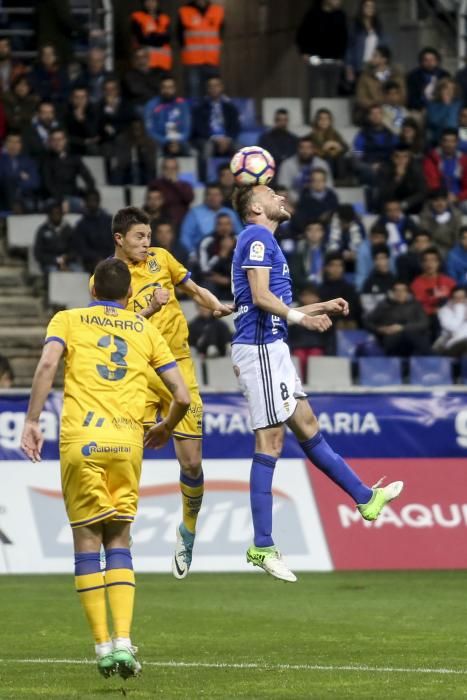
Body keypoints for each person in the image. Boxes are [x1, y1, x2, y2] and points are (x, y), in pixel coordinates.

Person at [20, 257, 190, 677]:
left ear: (92, 289)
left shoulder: (68, 319)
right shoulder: (147, 329)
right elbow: (182, 395)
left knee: (86, 545)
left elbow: (46, 366)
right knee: (119, 541)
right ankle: (125, 643)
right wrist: (165, 427)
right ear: (130, 295)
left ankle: (101, 647)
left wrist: (31, 421)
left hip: (83, 441)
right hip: (127, 444)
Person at [230, 183, 402, 582]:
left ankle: (366, 498)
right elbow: (258, 296)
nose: (282, 198)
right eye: (272, 194)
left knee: (308, 427)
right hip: (261, 349)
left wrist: (318, 307)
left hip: (271, 345)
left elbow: (271, 306)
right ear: (256, 206)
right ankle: (262, 544)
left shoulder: (263, 239)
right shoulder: (256, 235)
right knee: (270, 442)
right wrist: (302, 319)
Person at [97, 207, 233, 579]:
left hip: (178, 367)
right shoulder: (107, 277)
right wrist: (150, 309)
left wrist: (213, 303)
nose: (147, 242)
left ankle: (187, 530)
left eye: (149, 235)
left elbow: (193, 288)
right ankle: (118, 538)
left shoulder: (162, 259)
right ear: (119, 239)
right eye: (140, 237)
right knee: (126, 459)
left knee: (190, 462)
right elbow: (111, 333)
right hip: (137, 375)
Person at [296, 0, 348, 98]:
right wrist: (304, 52)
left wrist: (341, 57)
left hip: (334, 61)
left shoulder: (340, 15)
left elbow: (344, 39)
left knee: (332, 93)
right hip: (316, 60)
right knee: (315, 93)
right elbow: (301, 35)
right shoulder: (313, 14)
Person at [365, 280, 432, 356]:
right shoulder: (384, 306)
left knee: (418, 338)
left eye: (403, 290)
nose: (400, 293)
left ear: (407, 292)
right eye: (397, 290)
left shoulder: (415, 305)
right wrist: (380, 329)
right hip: (392, 339)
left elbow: (424, 323)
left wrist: (402, 327)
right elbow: (367, 322)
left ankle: (428, 361)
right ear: (392, 293)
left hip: (413, 337)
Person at [177, 0, 224, 100]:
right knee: (193, 92)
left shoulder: (217, 10)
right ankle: (194, 115)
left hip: (211, 60)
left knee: (214, 92)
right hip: (192, 61)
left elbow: (221, 32)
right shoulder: (184, 11)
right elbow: (179, 35)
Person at [288, 283, 336, 380]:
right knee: (299, 355)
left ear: (317, 298)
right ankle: (298, 383)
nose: (309, 298)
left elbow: (329, 336)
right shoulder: (293, 313)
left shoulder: (325, 314)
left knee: (315, 354)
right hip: (297, 347)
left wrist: (330, 353)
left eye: (312, 295)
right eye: (306, 295)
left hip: (317, 346)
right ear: (301, 297)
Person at [42, 128, 95, 213]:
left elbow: (88, 177)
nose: (57, 142)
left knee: (92, 208)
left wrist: (88, 196)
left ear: (65, 140)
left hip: (73, 196)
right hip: (54, 198)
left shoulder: (74, 158)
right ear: (50, 142)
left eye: (59, 139)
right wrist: (61, 200)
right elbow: (48, 183)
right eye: (54, 140)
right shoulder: (46, 160)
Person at [180, 183, 242, 256]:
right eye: (209, 194)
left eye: (216, 195)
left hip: (229, 254)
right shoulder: (195, 213)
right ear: (205, 197)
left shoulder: (230, 213)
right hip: (201, 254)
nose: (213, 198)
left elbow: (240, 234)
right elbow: (185, 237)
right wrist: (192, 254)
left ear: (222, 197)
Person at [191, 76, 240, 164]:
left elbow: (235, 127)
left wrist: (227, 139)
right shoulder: (199, 107)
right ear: (207, 89)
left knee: (241, 149)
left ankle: (242, 176)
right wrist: (215, 139)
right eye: (211, 86)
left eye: (216, 85)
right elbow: (198, 128)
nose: (214, 89)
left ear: (221, 87)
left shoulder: (230, 107)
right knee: (208, 147)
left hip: (227, 139)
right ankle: (205, 177)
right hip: (208, 139)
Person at [411, 247, 456, 338]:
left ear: (439, 263)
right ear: (422, 264)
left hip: (450, 314)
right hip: (430, 318)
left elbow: (457, 299)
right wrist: (435, 310)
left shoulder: (449, 281)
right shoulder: (416, 283)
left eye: (433, 260)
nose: (429, 264)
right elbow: (419, 306)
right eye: (426, 261)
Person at [355, 46, 406, 124]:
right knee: (381, 116)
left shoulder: (396, 76)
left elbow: (403, 96)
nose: (371, 58)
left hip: (394, 109)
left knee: (406, 119)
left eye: (375, 56)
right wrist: (379, 104)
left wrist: (392, 102)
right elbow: (361, 99)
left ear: (384, 59)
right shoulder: (365, 77)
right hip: (372, 110)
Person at [352, 104, 398, 188]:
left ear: (382, 116)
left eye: (378, 113)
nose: (376, 116)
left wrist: (383, 166)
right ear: (369, 117)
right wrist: (370, 166)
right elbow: (357, 155)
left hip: (387, 167)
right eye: (373, 114)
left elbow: (397, 153)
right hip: (369, 168)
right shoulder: (361, 135)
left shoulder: (391, 135)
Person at [144, 76, 191, 156]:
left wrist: (177, 141)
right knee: (153, 149)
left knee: (188, 149)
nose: (167, 90)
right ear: (160, 89)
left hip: (179, 141)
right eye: (164, 87)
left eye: (170, 87)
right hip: (160, 141)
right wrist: (166, 141)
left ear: (175, 89)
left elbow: (187, 128)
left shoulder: (182, 104)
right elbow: (150, 131)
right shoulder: (151, 105)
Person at [277, 136, 332, 203]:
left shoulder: (322, 164)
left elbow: (329, 187)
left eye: (308, 148)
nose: (305, 151)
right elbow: (282, 189)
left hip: (318, 202)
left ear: (314, 149)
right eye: (302, 147)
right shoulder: (287, 164)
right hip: (293, 203)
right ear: (297, 149)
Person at [423, 129, 467, 211]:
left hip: (458, 198)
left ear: (457, 142)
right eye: (446, 141)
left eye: (452, 141)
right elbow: (432, 183)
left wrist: (458, 197)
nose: (449, 144)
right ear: (441, 142)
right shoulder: (432, 158)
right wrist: (444, 197)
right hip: (437, 198)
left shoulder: (464, 160)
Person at [376, 144, 426, 215]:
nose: (401, 160)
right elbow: (383, 194)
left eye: (405, 156)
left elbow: (422, 192)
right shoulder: (384, 169)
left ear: (409, 158)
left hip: (409, 203)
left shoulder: (416, 168)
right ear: (392, 157)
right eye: (397, 156)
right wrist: (397, 178)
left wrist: (404, 204)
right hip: (390, 204)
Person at [345, 0, 386, 85]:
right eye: (367, 6)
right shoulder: (354, 26)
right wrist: (349, 67)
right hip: (360, 65)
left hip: (375, 65)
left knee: (379, 88)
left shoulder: (378, 26)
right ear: (362, 8)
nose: (369, 9)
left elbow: (383, 46)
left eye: (372, 7)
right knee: (360, 90)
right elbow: (349, 47)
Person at [33, 200, 79, 275]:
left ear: (62, 214)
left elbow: (75, 249)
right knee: (54, 272)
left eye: (58, 213)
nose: (56, 215)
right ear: (49, 215)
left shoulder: (68, 229)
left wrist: (67, 257)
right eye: (53, 213)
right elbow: (38, 254)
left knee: (78, 270)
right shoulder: (43, 230)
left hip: (68, 262)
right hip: (50, 263)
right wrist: (56, 260)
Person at [72, 190, 113, 272]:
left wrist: (107, 258)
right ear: (86, 203)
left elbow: (115, 243)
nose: (92, 203)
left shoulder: (109, 221)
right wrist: (97, 258)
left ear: (99, 202)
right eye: (90, 201)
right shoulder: (81, 225)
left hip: (110, 258)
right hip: (90, 262)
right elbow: (82, 248)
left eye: (95, 200)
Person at [148, 157, 194, 229]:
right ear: (162, 170)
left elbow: (189, 198)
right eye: (167, 168)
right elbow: (151, 203)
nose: (170, 171)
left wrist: (175, 183)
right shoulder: (155, 184)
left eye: (173, 168)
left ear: (178, 170)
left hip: (181, 223)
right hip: (161, 223)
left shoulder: (185, 185)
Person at [319, 252, 362, 327]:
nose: (337, 269)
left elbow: (356, 311)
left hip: (348, 327)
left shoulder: (350, 289)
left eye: (339, 265)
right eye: (333, 265)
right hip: (326, 327)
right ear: (326, 268)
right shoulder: (320, 290)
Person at [0, 132, 39, 214]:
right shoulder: (1, 161)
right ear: (5, 144)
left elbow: (34, 183)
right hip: (4, 198)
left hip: (25, 198)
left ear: (21, 145)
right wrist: (19, 176)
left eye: (17, 142)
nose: (13, 145)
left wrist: (15, 182)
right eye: (11, 142)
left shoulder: (29, 162)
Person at [130, 0, 172, 74]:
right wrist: (158, 38)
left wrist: (152, 36)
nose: (150, 4)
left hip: (164, 61)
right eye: (148, 1)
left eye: (153, 1)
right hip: (146, 63)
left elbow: (167, 38)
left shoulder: (165, 18)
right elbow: (141, 38)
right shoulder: (138, 16)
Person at [418, 189, 462, 259]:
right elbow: (426, 237)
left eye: (443, 200)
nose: (440, 203)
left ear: (447, 201)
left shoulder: (456, 215)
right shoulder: (425, 216)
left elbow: (458, 236)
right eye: (436, 200)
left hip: (453, 250)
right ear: (431, 202)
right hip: (433, 250)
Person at [291, 168, 339, 232]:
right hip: (307, 230)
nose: (318, 183)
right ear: (310, 182)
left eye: (320, 180)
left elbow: (334, 213)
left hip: (328, 230)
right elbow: (300, 216)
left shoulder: (332, 196)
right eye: (315, 180)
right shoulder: (304, 196)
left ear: (325, 182)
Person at [308, 108, 348, 180]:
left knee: (342, 158)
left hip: (336, 163)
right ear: (317, 121)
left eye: (326, 119)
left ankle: (342, 181)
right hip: (320, 164)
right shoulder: (311, 136)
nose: (324, 121)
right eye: (321, 119)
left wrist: (337, 145)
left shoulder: (335, 134)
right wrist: (324, 149)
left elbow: (346, 147)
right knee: (328, 158)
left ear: (330, 121)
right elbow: (311, 152)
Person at [407, 46, 449, 112]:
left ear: (437, 61)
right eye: (426, 60)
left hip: (441, 108)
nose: (429, 63)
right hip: (419, 109)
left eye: (432, 60)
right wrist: (422, 107)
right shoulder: (413, 76)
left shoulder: (444, 75)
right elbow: (411, 98)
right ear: (421, 62)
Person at [327, 203, 365, 274]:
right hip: (336, 260)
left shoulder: (359, 226)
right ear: (339, 219)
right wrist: (343, 254)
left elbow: (362, 244)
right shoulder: (330, 226)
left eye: (349, 223)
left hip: (355, 262)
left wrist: (356, 253)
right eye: (344, 222)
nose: (346, 225)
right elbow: (329, 247)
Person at [355, 222, 395, 290]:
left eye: (382, 237)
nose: (379, 240)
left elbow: (392, 270)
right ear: (370, 237)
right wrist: (360, 292)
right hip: (370, 283)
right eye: (376, 237)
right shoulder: (363, 250)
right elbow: (361, 275)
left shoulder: (388, 248)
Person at [122, 48, 162, 115]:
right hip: (140, 105)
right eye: (138, 57)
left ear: (148, 58)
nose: (141, 60)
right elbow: (135, 89)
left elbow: (162, 87)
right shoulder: (130, 75)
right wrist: (153, 89)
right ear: (135, 60)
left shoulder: (158, 71)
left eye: (144, 56)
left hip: (157, 104)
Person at [30, 44, 70, 109]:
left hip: (61, 107)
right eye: (45, 54)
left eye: (51, 54)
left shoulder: (64, 73)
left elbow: (66, 93)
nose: (48, 57)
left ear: (56, 56)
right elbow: (38, 94)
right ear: (41, 57)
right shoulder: (34, 74)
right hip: (41, 107)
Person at [426, 78, 462, 146]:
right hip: (438, 138)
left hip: (456, 138)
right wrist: (446, 105)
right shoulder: (432, 104)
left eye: (452, 89)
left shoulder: (458, 104)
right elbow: (433, 121)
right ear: (440, 90)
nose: (449, 91)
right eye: (446, 88)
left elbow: (457, 122)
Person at [65, 86, 100, 156]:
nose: (80, 100)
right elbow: (64, 135)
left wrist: (83, 121)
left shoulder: (94, 111)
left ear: (87, 99)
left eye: (83, 97)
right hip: (73, 143)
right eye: (77, 97)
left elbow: (94, 134)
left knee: (94, 148)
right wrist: (83, 141)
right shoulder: (66, 112)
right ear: (71, 99)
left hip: (90, 145)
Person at [436, 286, 467, 356]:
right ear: (451, 298)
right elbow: (454, 328)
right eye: (456, 297)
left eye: (462, 297)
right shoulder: (444, 311)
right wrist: (460, 309)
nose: (459, 300)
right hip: (452, 343)